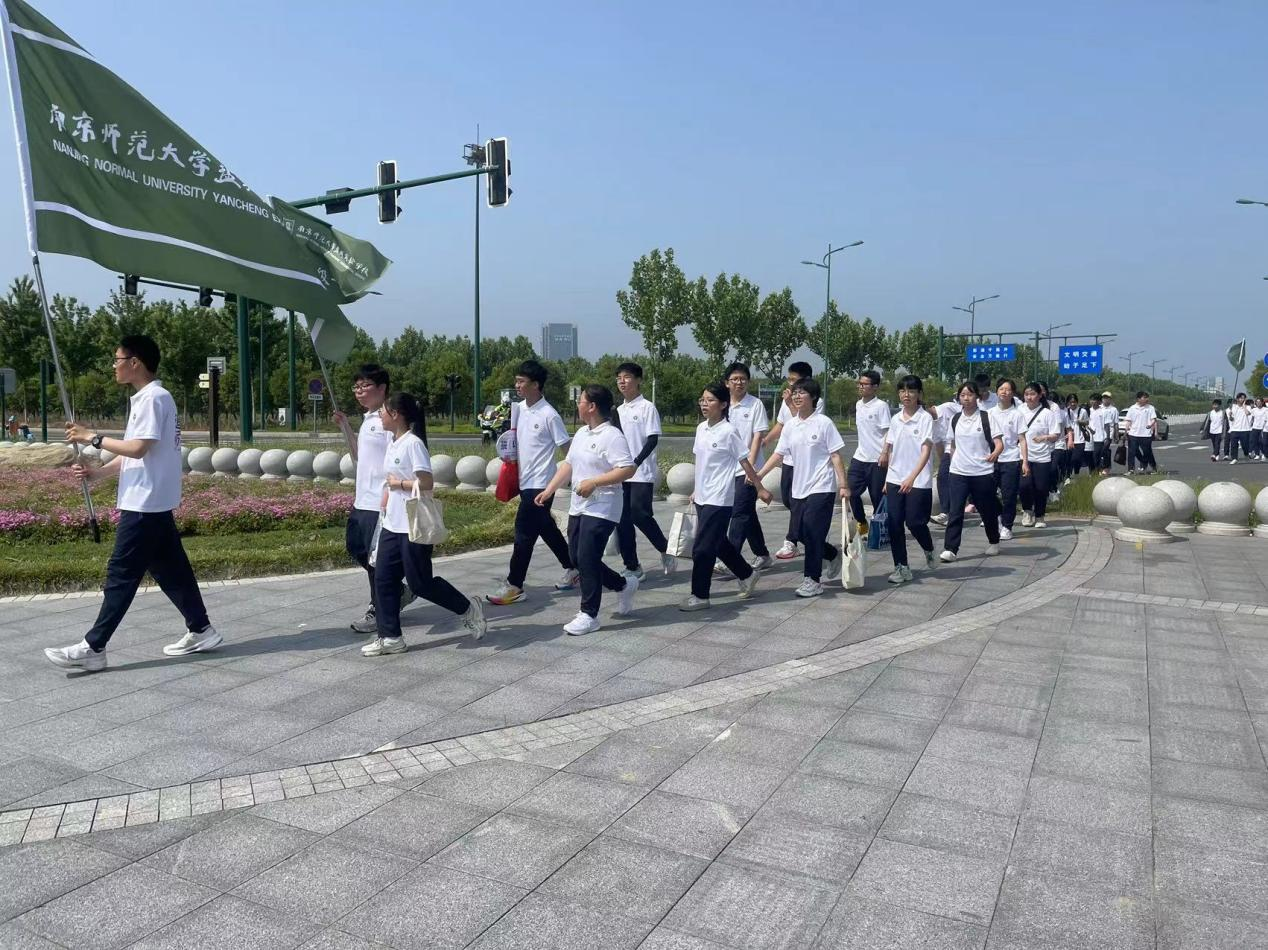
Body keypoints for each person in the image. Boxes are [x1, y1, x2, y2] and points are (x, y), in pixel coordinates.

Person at [45, 335, 220, 672]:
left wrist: (92, 437)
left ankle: (94, 647)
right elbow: (136, 452)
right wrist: (98, 473)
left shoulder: (154, 398)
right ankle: (202, 629)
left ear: (135, 362)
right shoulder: (148, 398)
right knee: (172, 571)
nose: (114, 366)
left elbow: (138, 448)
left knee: (121, 575)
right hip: (151, 501)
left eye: (118, 359)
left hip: (144, 503)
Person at [365, 393, 486, 655]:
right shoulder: (393, 443)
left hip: (414, 526)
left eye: (383, 411)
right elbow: (389, 480)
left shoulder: (413, 444)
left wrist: (399, 484)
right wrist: (386, 500)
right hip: (392, 524)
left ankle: (468, 608)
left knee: (420, 583)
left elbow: (427, 483)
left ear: (396, 414)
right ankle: (390, 638)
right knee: (383, 579)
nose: (380, 415)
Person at [534, 385, 638, 635]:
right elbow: (568, 464)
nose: (577, 405)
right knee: (577, 558)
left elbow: (627, 469)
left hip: (604, 506)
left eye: (580, 401)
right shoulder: (582, 433)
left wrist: (594, 482)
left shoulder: (612, 436)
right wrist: (549, 490)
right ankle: (623, 585)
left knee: (588, 557)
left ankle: (589, 614)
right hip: (579, 505)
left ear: (591, 406)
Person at [486, 360, 577, 605]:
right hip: (524, 481)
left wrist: (575, 476)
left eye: (521, 381)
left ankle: (515, 585)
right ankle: (574, 568)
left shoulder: (549, 414)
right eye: (516, 381)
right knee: (546, 528)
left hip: (541, 485)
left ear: (536, 385)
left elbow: (567, 449)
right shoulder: (519, 410)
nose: (517, 385)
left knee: (523, 534)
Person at [755, 378, 847, 598]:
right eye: (795, 392)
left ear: (813, 397)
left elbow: (835, 455)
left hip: (821, 487)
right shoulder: (791, 425)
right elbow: (779, 454)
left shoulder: (824, 423)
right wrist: (759, 475)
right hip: (799, 488)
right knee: (800, 534)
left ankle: (812, 580)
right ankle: (832, 554)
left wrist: (843, 484)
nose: (796, 396)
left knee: (813, 532)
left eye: (802, 393)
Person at [683, 381, 769, 611]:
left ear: (722, 404)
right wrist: (695, 489)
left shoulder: (729, 431)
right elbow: (701, 462)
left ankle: (700, 596)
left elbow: (745, 462)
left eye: (710, 400)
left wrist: (760, 488)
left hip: (719, 498)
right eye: (702, 400)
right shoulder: (701, 429)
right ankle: (747, 574)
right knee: (719, 542)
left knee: (702, 549)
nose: (704, 404)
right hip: (702, 497)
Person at [334, 364, 404, 634]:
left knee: (376, 560)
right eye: (356, 386)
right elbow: (359, 456)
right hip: (362, 499)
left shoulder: (390, 419)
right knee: (355, 547)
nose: (359, 391)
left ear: (382, 388)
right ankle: (398, 591)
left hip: (380, 501)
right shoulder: (368, 419)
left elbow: (397, 459)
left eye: (365, 386)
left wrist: (389, 495)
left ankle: (379, 608)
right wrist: (346, 427)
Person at [614, 362, 674, 580]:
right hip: (620, 472)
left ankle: (665, 548)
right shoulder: (617, 411)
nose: (622, 381)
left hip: (641, 472)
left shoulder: (647, 407)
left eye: (627, 377)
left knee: (640, 515)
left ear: (638, 380)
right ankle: (632, 566)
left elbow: (652, 439)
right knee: (622, 520)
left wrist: (636, 463)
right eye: (619, 378)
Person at [877, 375, 937, 584]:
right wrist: (888, 479)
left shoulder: (925, 418)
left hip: (918, 480)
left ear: (919, 394)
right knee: (894, 524)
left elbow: (926, 451)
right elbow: (891, 449)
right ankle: (901, 567)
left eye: (911, 391)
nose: (906, 395)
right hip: (895, 478)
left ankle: (929, 548)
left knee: (915, 522)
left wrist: (912, 477)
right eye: (902, 391)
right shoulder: (896, 419)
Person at [940, 381, 1003, 562]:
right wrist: (953, 463)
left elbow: (999, 443)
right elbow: (952, 444)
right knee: (955, 511)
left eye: (970, 394)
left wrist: (994, 455)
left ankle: (994, 540)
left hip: (982, 472)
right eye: (962, 395)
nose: (966, 398)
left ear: (977, 397)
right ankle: (950, 549)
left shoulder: (986, 417)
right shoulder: (955, 419)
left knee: (987, 510)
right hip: (959, 472)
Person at [764, 361, 818, 561]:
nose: (791, 384)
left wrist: (790, 403)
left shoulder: (813, 399)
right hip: (788, 459)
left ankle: (791, 540)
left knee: (796, 502)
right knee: (788, 499)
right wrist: (766, 441)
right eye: (789, 379)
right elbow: (781, 425)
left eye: (794, 380)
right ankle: (807, 533)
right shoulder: (790, 398)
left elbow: (803, 421)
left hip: (804, 462)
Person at [721, 362, 773, 570]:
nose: (739, 382)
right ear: (727, 383)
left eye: (743, 379)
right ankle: (762, 554)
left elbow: (757, 436)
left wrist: (750, 467)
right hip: (727, 468)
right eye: (735, 379)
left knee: (739, 513)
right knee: (747, 512)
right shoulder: (723, 405)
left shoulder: (755, 404)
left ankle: (730, 559)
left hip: (749, 468)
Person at [846, 370, 891, 539]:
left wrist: (884, 453)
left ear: (875, 387)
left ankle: (881, 530)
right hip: (859, 457)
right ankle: (861, 522)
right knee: (850, 491)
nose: (860, 387)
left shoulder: (881, 406)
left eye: (864, 384)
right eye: (859, 383)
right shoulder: (858, 404)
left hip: (877, 459)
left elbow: (888, 432)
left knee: (877, 497)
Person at [1020, 382, 1064, 528]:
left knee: (1041, 487)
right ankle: (1027, 511)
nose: (1029, 397)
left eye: (1032, 394)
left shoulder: (1047, 413)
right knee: (1024, 485)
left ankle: (1040, 516)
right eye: (1026, 394)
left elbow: (1056, 435)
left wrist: (1044, 437)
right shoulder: (1019, 410)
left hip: (1042, 456)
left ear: (1040, 395)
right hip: (1023, 456)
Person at [988, 379, 1025, 541]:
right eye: (1001, 389)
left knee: (1009, 495)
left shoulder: (1017, 414)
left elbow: (1022, 439)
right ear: (996, 391)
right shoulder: (989, 413)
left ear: (1013, 393)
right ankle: (998, 515)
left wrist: (1025, 461)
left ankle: (1007, 526)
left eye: (1008, 389)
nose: (1004, 392)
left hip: (1011, 459)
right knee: (986, 493)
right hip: (991, 459)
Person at [931, 392, 959, 525]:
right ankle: (945, 513)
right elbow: (938, 445)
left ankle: (992, 512)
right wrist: (944, 463)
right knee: (942, 477)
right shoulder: (929, 424)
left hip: (966, 447)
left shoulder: (948, 407)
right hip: (949, 450)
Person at [1125, 391, 1158, 474]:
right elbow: (1128, 421)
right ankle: (1131, 469)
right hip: (1133, 434)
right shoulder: (1132, 408)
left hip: (1146, 434)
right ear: (1138, 399)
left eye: (1147, 397)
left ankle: (1153, 467)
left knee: (1147, 452)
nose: (1147, 399)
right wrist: (1125, 432)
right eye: (1144, 397)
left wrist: (1151, 425)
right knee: (1132, 452)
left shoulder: (1150, 408)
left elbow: (1153, 419)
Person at [1065, 393, 1089, 480]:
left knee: (1076, 458)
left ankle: (1076, 473)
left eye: (1074, 402)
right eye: (1070, 402)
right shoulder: (1066, 411)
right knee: (1068, 459)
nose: (1072, 404)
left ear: (1077, 402)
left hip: (1080, 438)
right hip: (1068, 438)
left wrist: (1080, 421)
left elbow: (1087, 422)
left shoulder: (1082, 411)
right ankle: (1067, 476)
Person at [1228, 392, 1254, 465]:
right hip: (1234, 429)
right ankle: (1234, 458)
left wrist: (1244, 406)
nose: (1243, 399)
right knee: (1233, 445)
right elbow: (1231, 419)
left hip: (1245, 429)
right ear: (1237, 399)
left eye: (1244, 398)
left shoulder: (1248, 407)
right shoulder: (1233, 407)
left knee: (1245, 445)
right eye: (1241, 398)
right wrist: (1230, 416)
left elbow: (1248, 413)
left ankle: (1246, 454)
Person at [1097, 391, 1118, 474]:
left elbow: (1116, 423)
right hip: (1098, 433)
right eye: (1104, 398)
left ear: (1110, 399)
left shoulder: (1113, 409)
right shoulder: (1098, 408)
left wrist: (1116, 436)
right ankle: (1101, 467)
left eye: (1107, 398)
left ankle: (1105, 468)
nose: (1105, 399)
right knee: (1099, 450)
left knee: (1104, 449)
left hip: (1109, 433)